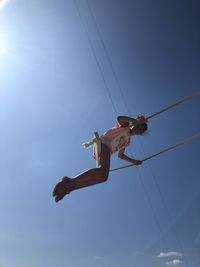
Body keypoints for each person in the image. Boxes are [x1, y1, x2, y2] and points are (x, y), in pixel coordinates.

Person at [53, 115, 148, 202]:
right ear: (134, 124)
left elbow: (120, 155)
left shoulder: (127, 142)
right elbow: (119, 118)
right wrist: (136, 120)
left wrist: (134, 161)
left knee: (103, 177)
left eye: (141, 130)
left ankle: (69, 188)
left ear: (140, 134)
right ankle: (69, 181)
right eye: (139, 126)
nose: (138, 129)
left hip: (105, 152)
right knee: (103, 170)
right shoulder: (125, 126)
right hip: (103, 144)